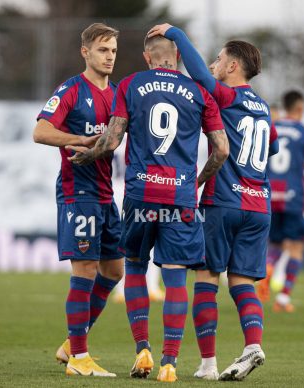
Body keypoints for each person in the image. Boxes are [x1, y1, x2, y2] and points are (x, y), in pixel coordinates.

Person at [69, 33, 228, 382]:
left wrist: (89, 155)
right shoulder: (200, 93)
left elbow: (112, 140)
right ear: (176, 57)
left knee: (136, 268)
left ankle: (143, 349)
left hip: (140, 196)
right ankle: (169, 363)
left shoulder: (130, 84)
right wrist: (196, 182)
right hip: (180, 199)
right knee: (174, 278)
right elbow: (221, 150)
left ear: (147, 56)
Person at [148, 23, 279, 381]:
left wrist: (175, 33)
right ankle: (253, 344)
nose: (214, 63)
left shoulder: (227, 96)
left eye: (220, 59)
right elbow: (273, 148)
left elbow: (201, 76)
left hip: (223, 202)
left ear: (233, 66)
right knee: (242, 282)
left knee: (206, 277)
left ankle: (208, 364)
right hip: (259, 206)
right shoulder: (264, 107)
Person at [32, 23, 123, 377]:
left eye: (113, 50)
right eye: (103, 50)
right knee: (85, 269)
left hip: (105, 194)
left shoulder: (117, 94)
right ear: (85, 52)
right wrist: (80, 140)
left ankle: (73, 342)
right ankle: (80, 359)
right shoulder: (71, 89)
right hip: (77, 192)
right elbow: (40, 131)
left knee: (114, 271)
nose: (110, 56)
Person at [261, 90, 304, 312]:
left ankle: (267, 270)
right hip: (293, 197)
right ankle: (284, 298)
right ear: (300, 108)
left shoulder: (271, 127)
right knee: (295, 247)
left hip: (269, 195)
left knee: (275, 243)